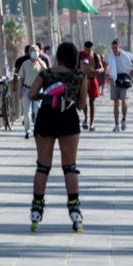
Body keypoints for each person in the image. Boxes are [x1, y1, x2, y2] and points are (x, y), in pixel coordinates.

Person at [28, 41, 89, 232]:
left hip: (45, 119)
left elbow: (31, 94)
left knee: (43, 166)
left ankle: (36, 210)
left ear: (58, 56)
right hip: (68, 120)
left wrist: (47, 98)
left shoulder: (46, 73)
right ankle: (74, 210)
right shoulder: (80, 75)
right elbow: (81, 105)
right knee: (70, 166)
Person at [105, 39, 133, 131]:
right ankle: (116, 124)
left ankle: (124, 119)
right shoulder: (110, 56)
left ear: (120, 47)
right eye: (113, 48)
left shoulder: (126, 55)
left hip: (125, 78)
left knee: (124, 100)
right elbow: (107, 65)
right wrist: (107, 71)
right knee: (115, 102)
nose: (114, 50)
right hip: (114, 78)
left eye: (116, 48)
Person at [19, 45, 45, 139]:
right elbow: (21, 78)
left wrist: (40, 62)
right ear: (30, 53)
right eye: (33, 51)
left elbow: (47, 71)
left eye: (37, 50)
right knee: (27, 112)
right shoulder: (25, 64)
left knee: (37, 111)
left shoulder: (41, 63)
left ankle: (37, 130)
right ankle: (28, 131)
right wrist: (20, 91)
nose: (35, 52)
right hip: (26, 89)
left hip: (38, 90)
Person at [78, 42, 103, 132]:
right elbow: (77, 67)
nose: (87, 52)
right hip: (83, 80)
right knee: (83, 100)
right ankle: (86, 118)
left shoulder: (96, 57)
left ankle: (92, 123)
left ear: (92, 49)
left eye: (89, 50)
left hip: (92, 80)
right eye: (86, 50)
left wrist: (97, 70)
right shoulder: (80, 56)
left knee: (92, 101)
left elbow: (102, 68)